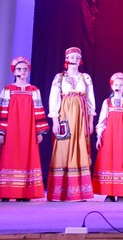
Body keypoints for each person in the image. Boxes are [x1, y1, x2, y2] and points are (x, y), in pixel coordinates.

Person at [0, 56, 48, 201]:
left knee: (27, 156)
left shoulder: (34, 90)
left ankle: (25, 193)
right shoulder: (8, 90)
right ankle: (7, 192)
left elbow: (39, 110)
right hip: (11, 129)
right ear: (14, 71)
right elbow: (1, 110)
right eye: (19, 69)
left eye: (25, 69)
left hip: (28, 130)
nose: (22, 72)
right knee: (9, 157)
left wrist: (39, 131)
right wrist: (0, 131)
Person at [47, 47, 95, 201]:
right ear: (67, 59)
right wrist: (55, 120)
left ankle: (79, 191)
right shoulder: (59, 77)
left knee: (80, 148)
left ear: (80, 60)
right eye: (72, 57)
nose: (74, 59)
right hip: (65, 115)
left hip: (81, 117)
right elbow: (54, 98)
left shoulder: (85, 78)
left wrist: (91, 121)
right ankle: (59, 191)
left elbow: (90, 100)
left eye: (77, 57)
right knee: (63, 148)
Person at [93, 72, 123, 202]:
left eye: (121, 85)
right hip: (109, 136)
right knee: (108, 161)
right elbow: (102, 120)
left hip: (122, 136)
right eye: (116, 84)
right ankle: (110, 193)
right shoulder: (107, 102)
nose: (118, 86)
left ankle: (121, 193)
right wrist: (99, 136)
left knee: (121, 161)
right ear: (112, 86)